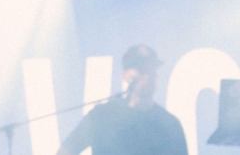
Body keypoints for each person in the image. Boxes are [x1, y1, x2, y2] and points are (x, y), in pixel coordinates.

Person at [57, 44, 188, 155]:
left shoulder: (169, 124)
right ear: (125, 75)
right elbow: (66, 150)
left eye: (151, 69)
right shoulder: (102, 116)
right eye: (141, 69)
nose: (147, 75)